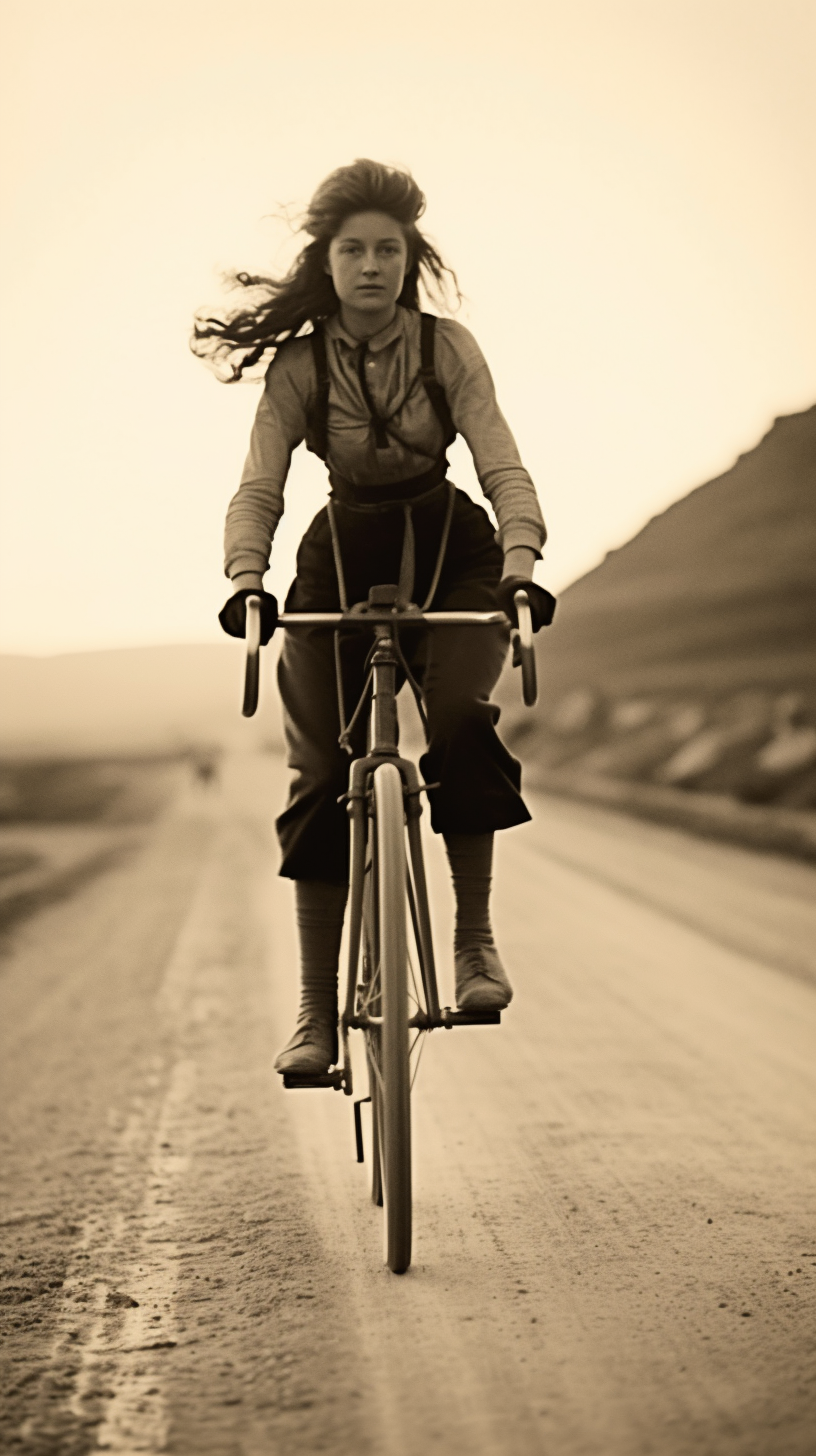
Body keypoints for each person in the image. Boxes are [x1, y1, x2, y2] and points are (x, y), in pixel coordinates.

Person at [193, 159, 553, 1076]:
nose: (371, 265)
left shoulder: (447, 349)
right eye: (353, 249)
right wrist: (246, 579)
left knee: (464, 720)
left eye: (388, 249)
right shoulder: (301, 366)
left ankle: (473, 942)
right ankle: (317, 1013)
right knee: (319, 771)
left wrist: (519, 567)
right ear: (329, 260)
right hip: (338, 551)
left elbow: (503, 465)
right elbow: (259, 487)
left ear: (409, 259)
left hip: (452, 543)